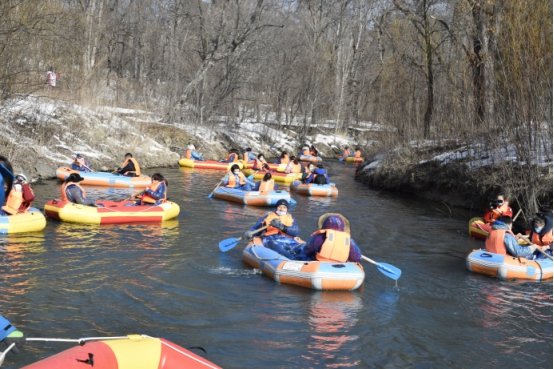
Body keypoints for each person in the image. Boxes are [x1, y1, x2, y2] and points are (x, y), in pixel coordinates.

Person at [291, 213, 362, 262]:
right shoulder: (349, 240)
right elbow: (356, 257)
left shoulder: (320, 236)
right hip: (340, 264)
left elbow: (307, 250)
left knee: (299, 253)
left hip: (319, 263)